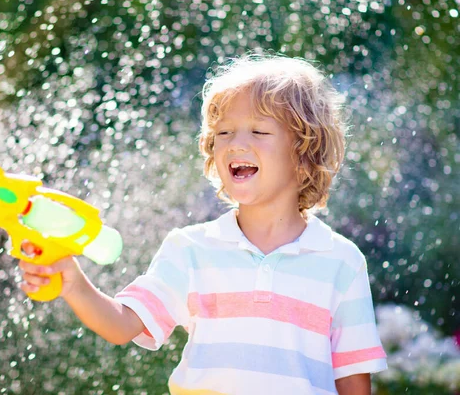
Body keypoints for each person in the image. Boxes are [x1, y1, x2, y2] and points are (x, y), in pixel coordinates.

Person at [19, 53, 387, 394]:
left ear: (304, 155)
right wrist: (73, 283)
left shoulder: (341, 262)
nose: (234, 144)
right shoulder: (192, 249)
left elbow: (352, 380)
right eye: (224, 133)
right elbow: (122, 325)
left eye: (259, 132)